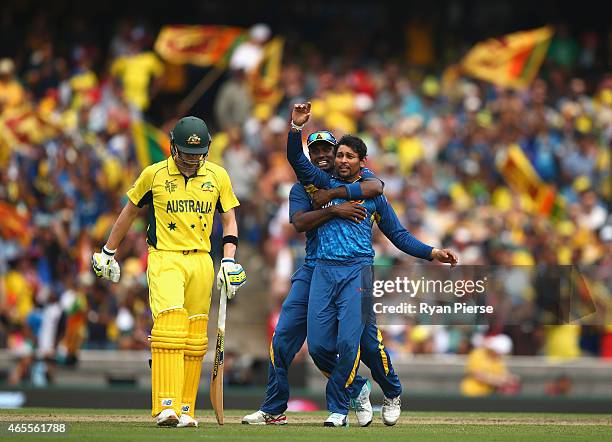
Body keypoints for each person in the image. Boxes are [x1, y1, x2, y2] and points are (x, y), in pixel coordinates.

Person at [286, 102, 458, 426]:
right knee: (322, 348)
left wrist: (432, 252)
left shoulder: (373, 193)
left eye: (350, 156)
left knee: (350, 343)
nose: (342, 160)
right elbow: (296, 158)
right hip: (323, 269)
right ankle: (361, 388)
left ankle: (346, 408)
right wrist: (296, 127)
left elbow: (398, 234)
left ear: (362, 162)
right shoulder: (321, 182)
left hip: (358, 271)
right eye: (340, 155)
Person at [91, 116, 246, 428]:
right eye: (186, 153)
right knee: (169, 326)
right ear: (173, 147)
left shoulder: (217, 176)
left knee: (194, 336)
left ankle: (186, 408)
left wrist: (228, 260)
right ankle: (166, 406)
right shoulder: (155, 174)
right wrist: (108, 251)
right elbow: (129, 211)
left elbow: (229, 220)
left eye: (198, 153)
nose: (192, 159)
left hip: (202, 259)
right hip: (165, 257)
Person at [243, 129, 404, 427]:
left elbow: (375, 186)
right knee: (282, 341)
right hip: (312, 271)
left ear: (337, 154)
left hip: (348, 272)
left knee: (365, 345)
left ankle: (387, 391)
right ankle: (276, 407)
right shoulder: (302, 188)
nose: (320, 155)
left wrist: (337, 199)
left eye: (326, 151)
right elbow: (300, 223)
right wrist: (335, 210)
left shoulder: (353, 182)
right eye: (315, 151)